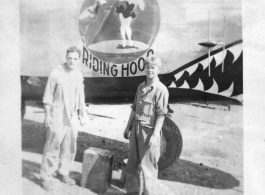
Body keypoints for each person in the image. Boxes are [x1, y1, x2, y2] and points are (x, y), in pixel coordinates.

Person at [39, 46, 88, 190]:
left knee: (69, 146)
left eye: (75, 59)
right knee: (52, 145)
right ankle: (46, 176)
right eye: (69, 58)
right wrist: (48, 115)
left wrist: (82, 115)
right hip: (58, 114)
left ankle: (63, 172)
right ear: (66, 58)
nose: (72, 61)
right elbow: (47, 96)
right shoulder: (56, 73)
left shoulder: (78, 75)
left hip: (72, 116)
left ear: (78, 60)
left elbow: (81, 97)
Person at [123, 55, 169, 195]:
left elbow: (161, 114)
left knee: (148, 168)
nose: (150, 70)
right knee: (132, 165)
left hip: (149, 132)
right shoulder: (141, 87)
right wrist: (127, 127)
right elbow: (134, 109)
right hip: (136, 130)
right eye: (147, 67)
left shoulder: (161, 89)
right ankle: (132, 192)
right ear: (144, 69)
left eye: (153, 68)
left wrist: (155, 135)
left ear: (158, 70)